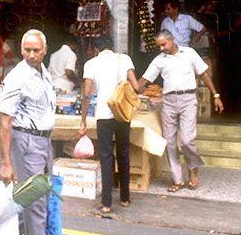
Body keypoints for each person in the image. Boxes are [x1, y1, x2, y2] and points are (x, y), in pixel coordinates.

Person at [0, 29, 61, 235]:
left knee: (37, 200)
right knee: (36, 203)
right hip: (26, 143)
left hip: (44, 143)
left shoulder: (44, 73)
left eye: (35, 50)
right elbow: (5, 122)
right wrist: (6, 162)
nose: (30, 55)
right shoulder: (17, 77)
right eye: (26, 50)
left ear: (44, 51)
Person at [137, 30, 223, 192]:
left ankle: (193, 169)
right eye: (159, 46)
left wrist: (215, 95)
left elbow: (204, 75)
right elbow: (145, 79)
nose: (161, 48)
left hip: (188, 100)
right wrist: (131, 88)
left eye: (163, 44)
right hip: (168, 102)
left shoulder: (189, 53)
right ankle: (177, 180)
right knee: (169, 141)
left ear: (171, 40)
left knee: (187, 140)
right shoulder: (159, 60)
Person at [79, 35, 139, 215]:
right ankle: (125, 197)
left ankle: (106, 203)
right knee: (123, 153)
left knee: (105, 156)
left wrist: (83, 120)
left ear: (96, 49)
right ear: (112, 47)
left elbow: (87, 94)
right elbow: (135, 86)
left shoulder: (90, 64)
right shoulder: (124, 59)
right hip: (122, 114)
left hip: (103, 115)